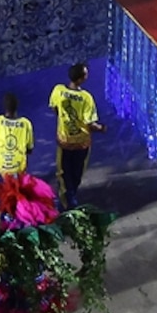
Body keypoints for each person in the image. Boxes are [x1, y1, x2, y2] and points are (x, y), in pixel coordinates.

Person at [50, 64, 102, 208]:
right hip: (82, 143)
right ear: (80, 79)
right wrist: (102, 128)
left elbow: (55, 109)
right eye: (85, 74)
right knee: (76, 172)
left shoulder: (58, 91)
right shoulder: (86, 98)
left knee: (64, 172)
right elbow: (91, 124)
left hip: (64, 141)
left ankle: (68, 197)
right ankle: (69, 202)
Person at [0, 92, 34, 187]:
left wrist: (0, 153)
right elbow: (30, 149)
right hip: (19, 167)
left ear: (4, 107)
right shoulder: (26, 123)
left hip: (2, 167)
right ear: (17, 106)